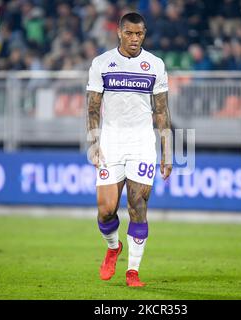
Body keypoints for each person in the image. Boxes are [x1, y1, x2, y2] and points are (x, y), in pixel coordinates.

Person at [86, 12, 172, 287]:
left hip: (142, 145)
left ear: (144, 35)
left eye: (140, 34)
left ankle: (132, 272)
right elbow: (93, 107)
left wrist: (167, 151)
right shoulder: (101, 63)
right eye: (130, 33)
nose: (135, 39)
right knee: (106, 210)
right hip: (111, 144)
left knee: (138, 206)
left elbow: (161, 111)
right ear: (119, 33)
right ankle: (113, 248)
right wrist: (94, 142)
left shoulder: (155, 65)